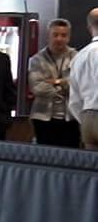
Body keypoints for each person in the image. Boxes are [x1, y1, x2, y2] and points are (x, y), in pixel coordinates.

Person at [28, 19, 80, 147]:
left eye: (63, 35)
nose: (59, 39)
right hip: (43, 118)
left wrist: (55, 82)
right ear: (48, 36)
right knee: (45, 158)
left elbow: (77, 87)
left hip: (71, 118)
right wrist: (64, 85)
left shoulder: (77, 57)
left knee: (70, 158)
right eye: (55, 35)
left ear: (69, 37)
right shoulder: (36, 59)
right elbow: (37, 88)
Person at [69, 8, 98, 151]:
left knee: (91, 169)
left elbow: (74, 99)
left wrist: (85, 119)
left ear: (89, 27)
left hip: (87, 119)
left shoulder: (79, 56)